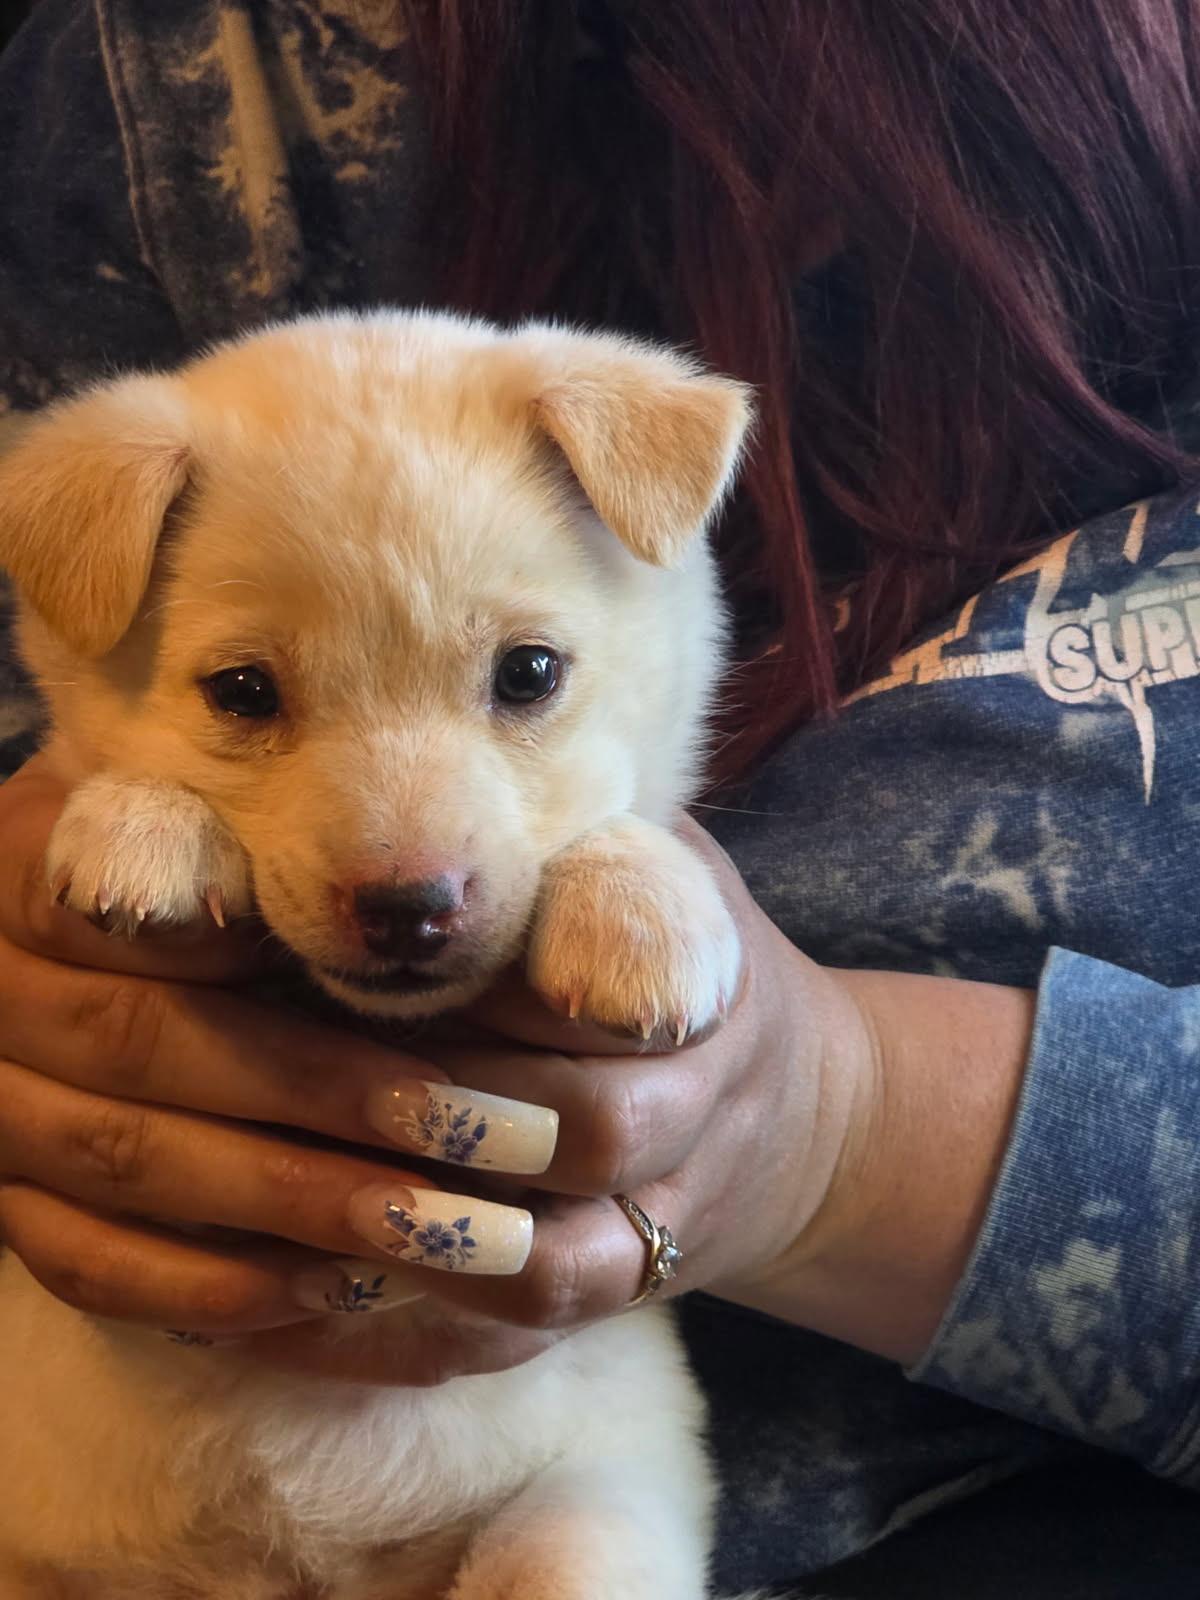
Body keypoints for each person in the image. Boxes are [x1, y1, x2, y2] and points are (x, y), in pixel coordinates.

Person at [2, 1, 1200, 1592]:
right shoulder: (175, 68)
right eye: (249, 696)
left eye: (521, 681)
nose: (403, 857)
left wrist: (830, 1129)